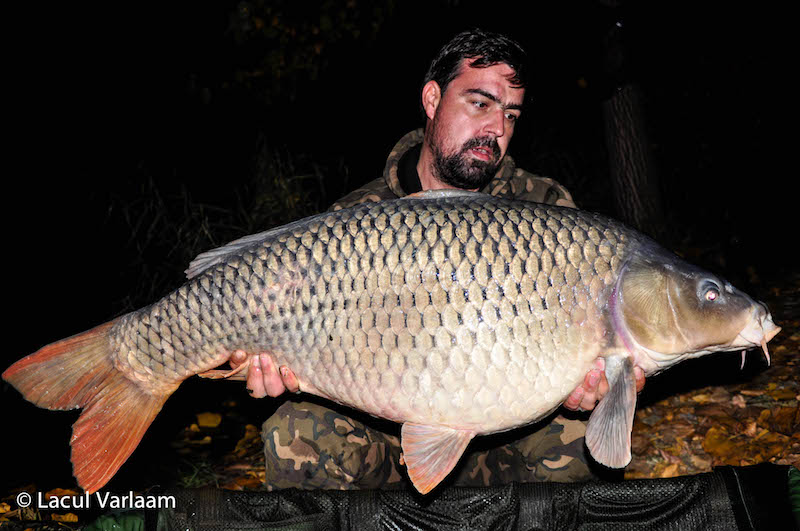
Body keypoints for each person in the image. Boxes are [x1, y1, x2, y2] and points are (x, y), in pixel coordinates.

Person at [231, 28, 645, 490]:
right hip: (387, 433)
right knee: (296, 431)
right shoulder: (356, 219)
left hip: (507, 432)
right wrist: (276, 365)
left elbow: (594, 357)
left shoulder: (545, 207)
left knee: (573, 441)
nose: (497, 128)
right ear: (432, 99)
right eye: (480, 103)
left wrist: (595, 388)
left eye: (510, 113)